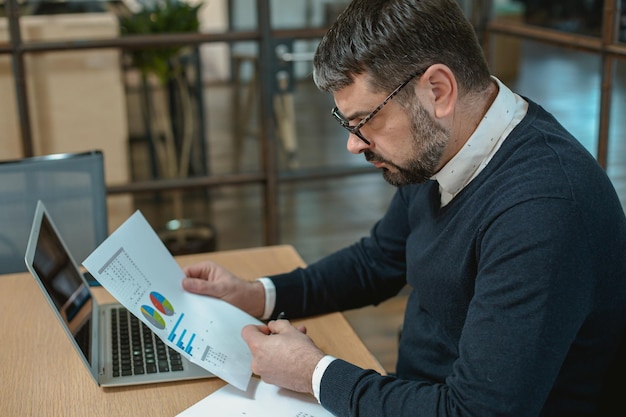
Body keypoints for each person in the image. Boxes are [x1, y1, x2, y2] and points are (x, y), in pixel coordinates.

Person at [182, 0, 626, 416]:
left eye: (364, 121)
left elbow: (474, 411)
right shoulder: (444, 145)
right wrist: (258, 295)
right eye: (347, 123)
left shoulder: (542, 212)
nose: (353, 144)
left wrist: (314, 373)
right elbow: (379, 258)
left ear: (437, 90)